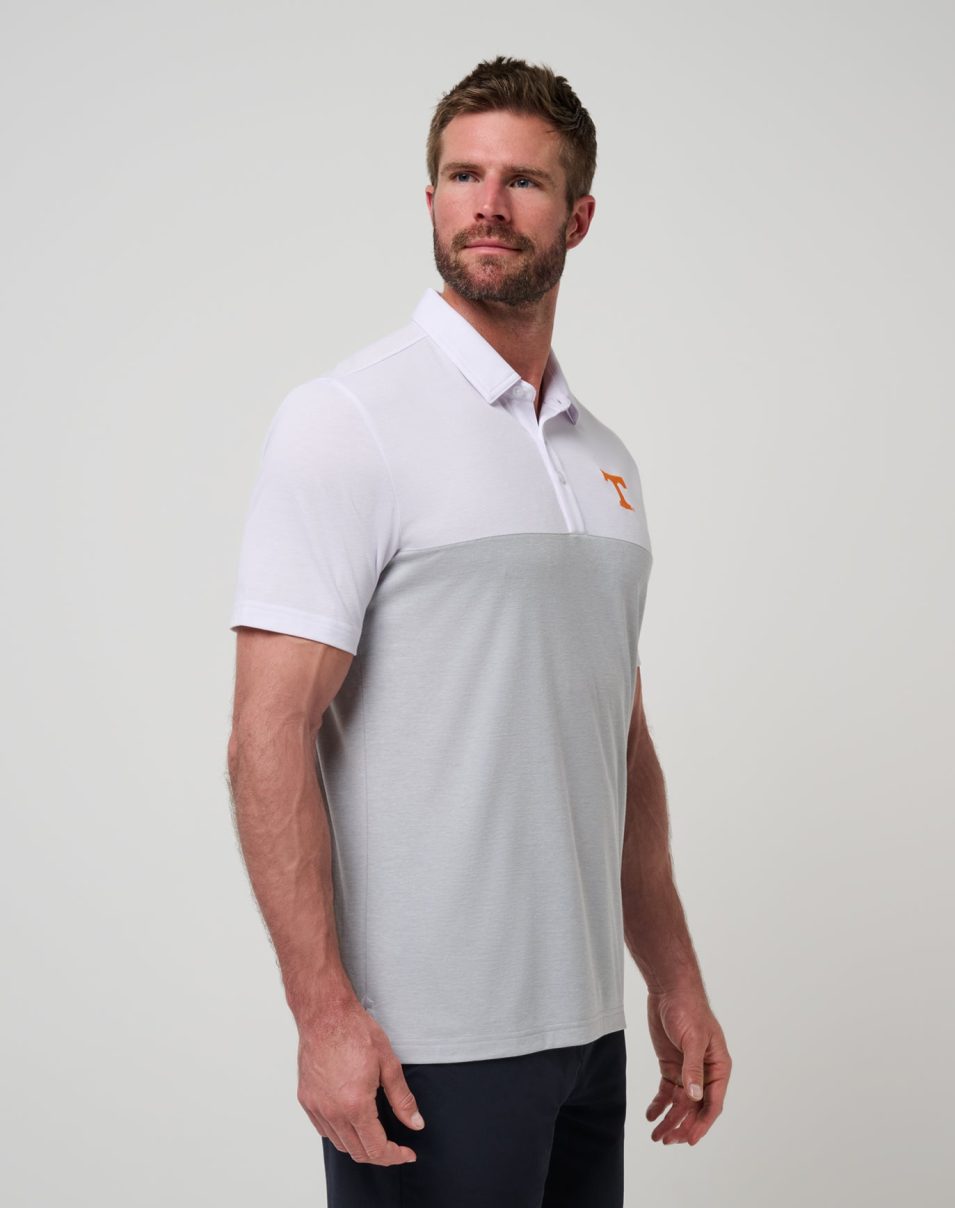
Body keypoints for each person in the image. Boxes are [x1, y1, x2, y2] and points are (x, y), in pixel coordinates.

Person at [226, 54, 731, 1207]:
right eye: (464, 176)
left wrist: (672, 974)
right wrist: (322, 1014)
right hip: (426, 1049)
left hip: (588, 1037)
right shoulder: (348, 420)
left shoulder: (606, 459)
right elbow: (266, 735)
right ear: (431, 199)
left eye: (524, 180)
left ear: (579, 216)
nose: (489, 204)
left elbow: (618, 737)